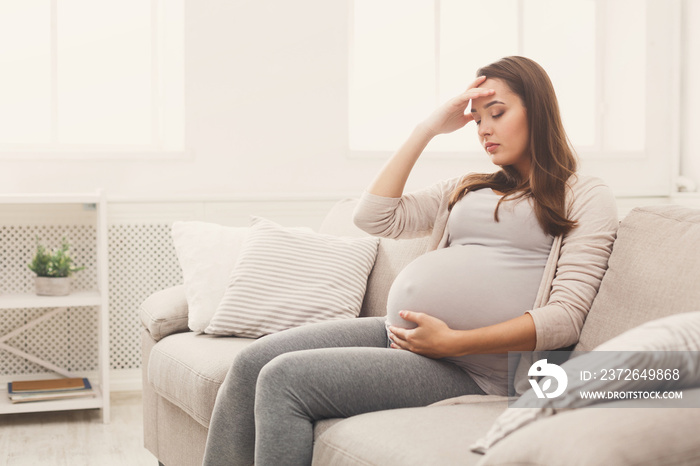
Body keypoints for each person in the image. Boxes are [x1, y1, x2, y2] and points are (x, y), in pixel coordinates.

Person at [202, 56, 619, 466]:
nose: (484, 129)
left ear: (539, 111)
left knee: (284, 380)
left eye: (497, 113)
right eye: (476, 120)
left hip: (471, 368)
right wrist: (427, 130)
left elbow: (565, 316)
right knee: (250, 364)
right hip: (399, 338)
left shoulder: (583, 193)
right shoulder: (468, 187)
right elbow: (373, 216)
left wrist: (454, 342)